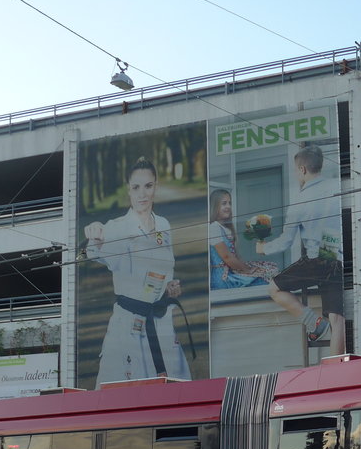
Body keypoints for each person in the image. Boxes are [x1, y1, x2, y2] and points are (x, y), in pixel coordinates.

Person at [83, 157, 191, 384]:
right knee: (127, 396)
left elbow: (164, 267)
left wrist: (170, 286)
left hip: (161, 322)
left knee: (174, 391)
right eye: (136, 187)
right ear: (128, 190)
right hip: (129, 326)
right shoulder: (117, 227)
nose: (142, 194)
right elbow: (95, 252)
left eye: (148, 186)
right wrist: (95, 236)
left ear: (156, 187)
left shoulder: (163, 225)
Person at [256, 143, 346, 354]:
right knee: (338, 319)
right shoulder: (337, 187)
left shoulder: (299, 201)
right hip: (338, 256)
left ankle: (314, 322)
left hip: (317, 260)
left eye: (296, 171)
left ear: (303, 170)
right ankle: (339, 372)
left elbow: (286, 242)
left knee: (274, 288)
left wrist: (263, 249)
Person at [208, 189, 277, 289]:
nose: (228, 206)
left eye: (229, 203)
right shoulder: (213, 227)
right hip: (224, 278)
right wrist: (247, 270)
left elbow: (236, 256)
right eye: (224, 203)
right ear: (215, 206)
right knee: (264, 281)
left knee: (269, 270)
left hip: (233, 271)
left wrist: (248, 267)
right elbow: (227, 257)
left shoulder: (226, 228)